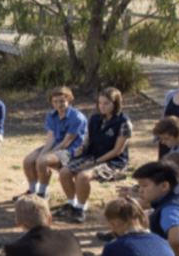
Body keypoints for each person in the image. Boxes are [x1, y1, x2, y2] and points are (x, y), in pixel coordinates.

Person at [56, 87, 133, 224]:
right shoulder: (95, 118)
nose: (101, 107)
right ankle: (72, 205)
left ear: (116, 104)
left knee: (83, 176)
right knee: (64, 172)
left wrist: (95, 162)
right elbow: (88, 137)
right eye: (100, 103)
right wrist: (82, 147)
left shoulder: (124, 122)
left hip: (113, 161)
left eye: (106, 103)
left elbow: (117, 150)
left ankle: (81, 209)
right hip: (92, 155)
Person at [21, 86, 87, 200]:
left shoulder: (77, 117)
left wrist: (45, 156)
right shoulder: (51, 116)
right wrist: (43, 153)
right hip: (56, 146)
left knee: (43, 161)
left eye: (62, 101)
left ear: (69, 99)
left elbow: (66, 143)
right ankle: (33, 191)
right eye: (55, 101)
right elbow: (51, 139)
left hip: (71, 151)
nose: (58, 104)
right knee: (28, 161)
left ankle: (43, 193)